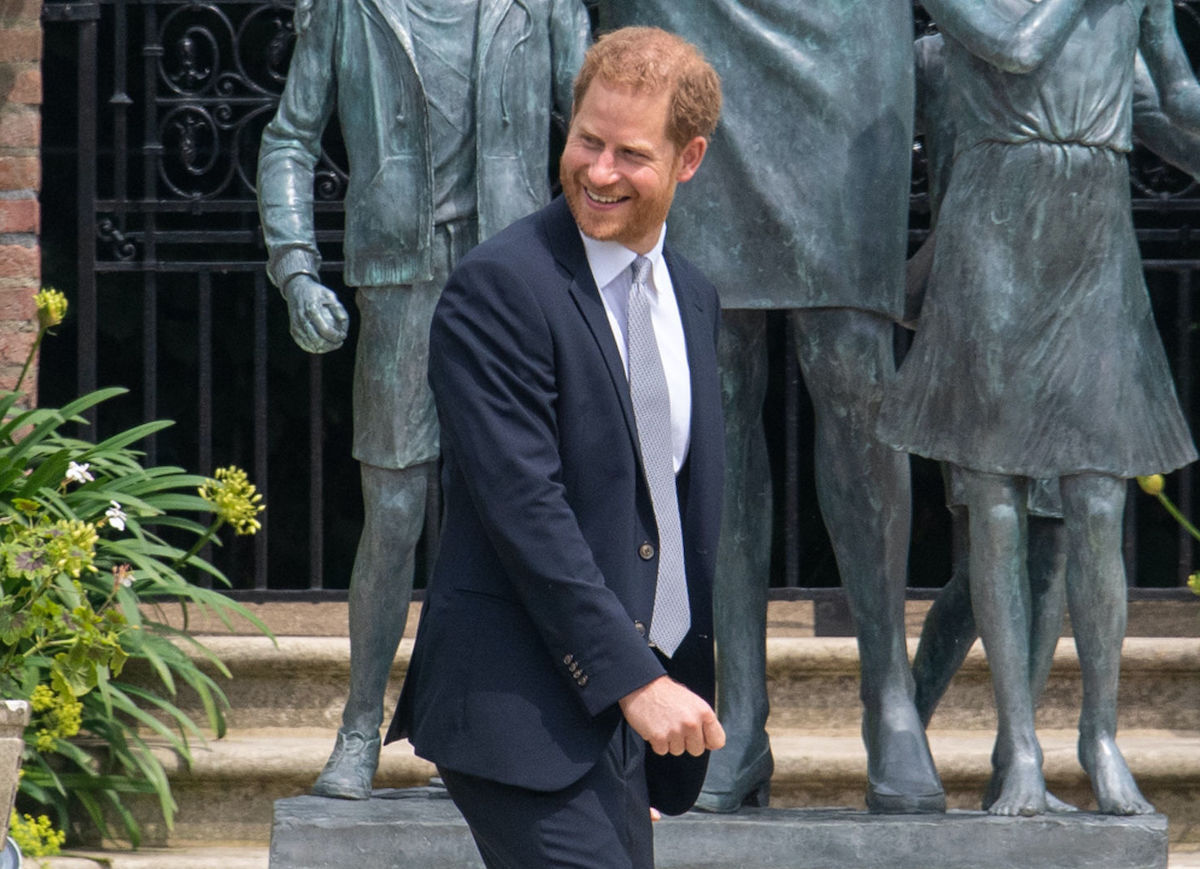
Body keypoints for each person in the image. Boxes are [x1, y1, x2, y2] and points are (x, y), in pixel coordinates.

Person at [386, 27, 727, 867]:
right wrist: (635, 683)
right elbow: (525, 510)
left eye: (631, 154)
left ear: (689, 160)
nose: (599, 171)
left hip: (616, 726)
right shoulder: (501, 287)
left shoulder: (692, 296)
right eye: (587, 141)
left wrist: (654, 692)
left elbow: (669, 511)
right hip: (520, 708)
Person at [598, 0, 944, 814]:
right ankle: (737, 710)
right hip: (696, 26)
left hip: (847, 36)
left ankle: (889, 690)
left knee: (855, 365)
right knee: (710, 367)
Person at [257, 0, 589, 799]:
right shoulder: (351, 7)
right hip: (401, 279)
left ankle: (478, 726)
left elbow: (597, 124)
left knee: (509, 505)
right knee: (396, 510)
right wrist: (296, 267)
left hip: (512, 280)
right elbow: (290, 137)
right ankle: (361, 723)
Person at [878, 0, 1200, 816]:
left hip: (1092, 226)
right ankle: (1020, 747)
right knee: (995, 501)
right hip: (994, 221)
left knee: (1098, 495)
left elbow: (1174, 94)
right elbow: (1020, 49)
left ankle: (1100, 735)